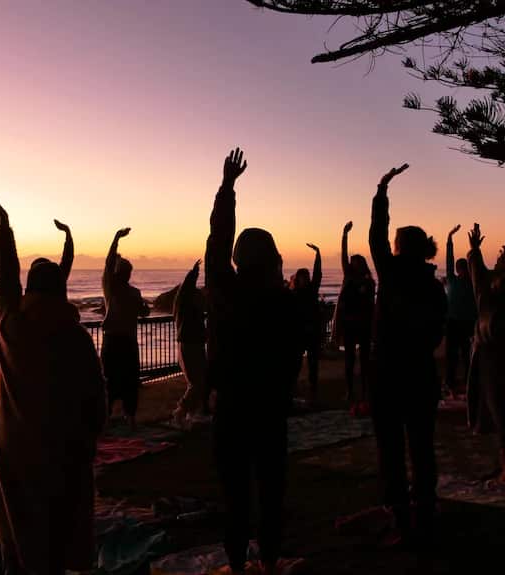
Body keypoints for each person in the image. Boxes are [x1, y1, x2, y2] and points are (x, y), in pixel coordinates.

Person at [0, 193, 107, 575]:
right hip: (65, 452)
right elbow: (96, 401)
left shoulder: (9, 326)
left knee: (16, 538)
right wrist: (88, 440)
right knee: (57, 540)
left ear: (29, 290)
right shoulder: (75, 337)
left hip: (15, 450)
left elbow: (2, 283)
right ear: (61, 290)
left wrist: (4, 229)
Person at [206, 148, 300, 575]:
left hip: (231, 405)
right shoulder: (284, 302)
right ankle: (270, 559)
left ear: (239, 259)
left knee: (235, 490)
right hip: (271, 407)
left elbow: (217, 241)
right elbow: (294, 354)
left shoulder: (224, 290)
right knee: (271, 486)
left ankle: (236, 563)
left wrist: (227, 188)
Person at [368, 163, 447, 549]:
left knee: (391, 449)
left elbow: (376, 234)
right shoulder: (433, 286)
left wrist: (382, 191)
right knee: (421, 445)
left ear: (401, 248)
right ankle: (425, 511)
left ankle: (401, 517)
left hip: (388, 372)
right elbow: (437, 332)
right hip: (421, 371)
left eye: (396, 241)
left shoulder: (391, 272)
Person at [467, 223, 505, 484]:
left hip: (496, 365)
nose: (492, 285)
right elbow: (479, 278)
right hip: (496, 363)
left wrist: (475, 251)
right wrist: (475, 251)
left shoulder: (497, 311)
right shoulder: (504, 308)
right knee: (501, 413)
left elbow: (479, 280)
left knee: (502, 414)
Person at [102, 227, 150, 430]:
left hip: (117, 341)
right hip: (124, 341)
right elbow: (144, 313)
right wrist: (116, 239)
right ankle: (125, 419)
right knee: (124, 381)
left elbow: (143, 312)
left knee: (114, 381)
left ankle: (115, 419)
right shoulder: (121, 290)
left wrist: (116, 238)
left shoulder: (116, 289)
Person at [335, 221, 375, 404]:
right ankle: (350, 391)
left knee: (365, 360)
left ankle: (366, 392)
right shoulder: (349, 277)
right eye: (352, 262)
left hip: (364, 324)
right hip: (350, 324)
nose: (352, 264)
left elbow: (371, 304)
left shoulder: (368, 282)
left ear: (362, 264)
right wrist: (344, 235)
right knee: (349, 359)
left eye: (356, 262)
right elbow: (344, 257)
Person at [171, 259, 209, 428]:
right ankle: (181, 411)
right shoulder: (192, 298)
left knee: (196, 381)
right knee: (196, 382)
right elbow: (202, 308)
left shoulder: (182, 300)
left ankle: (190, 413)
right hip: (192, 344)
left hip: (188, 343)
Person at [443, 225, 476, 398]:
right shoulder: (457, 280)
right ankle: (452, 384)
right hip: (457, 323)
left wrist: (450, 238)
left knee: (464, 355)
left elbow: (450, 260)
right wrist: (449, 239)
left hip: (464, 323)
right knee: (455, 356)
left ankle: (466, 383)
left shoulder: (467, 282)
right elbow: (450, 260)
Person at [291, 243, 323, 403]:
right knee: (296, 362)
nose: (305, 278)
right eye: (302, 276)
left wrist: (318, 254)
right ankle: (293, 388)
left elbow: (318, 274)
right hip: (298, 332)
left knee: (312, 362)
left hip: (312, 332)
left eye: (306, 276)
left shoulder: (312, 290)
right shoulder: (293, 293)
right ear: (298, 278)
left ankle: (313, 389)